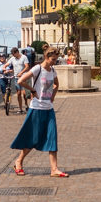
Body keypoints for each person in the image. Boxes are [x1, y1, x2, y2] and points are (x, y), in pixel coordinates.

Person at [11, 47, 67, 177]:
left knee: (52, 136)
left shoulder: (52, 70)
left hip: (49, 109)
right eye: (53, 59)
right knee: (33, 138)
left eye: (56, 59)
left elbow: (56, 85)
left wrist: (52, 97)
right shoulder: (38, 69)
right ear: (47, 57)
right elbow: (20, 81)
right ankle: (18, 161)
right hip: (36, 109)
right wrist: (33, 90)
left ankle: (54, 169)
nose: (55, 62)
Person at [8, 47, 30, 114]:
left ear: (17, 52)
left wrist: (21, 73)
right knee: (18, 93)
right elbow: (7, 63)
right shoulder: (12, 58)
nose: (13, 56)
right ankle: (20, 109)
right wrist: (4, 67)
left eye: (14, 54)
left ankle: (26, 104)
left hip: (23, 77)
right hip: (16, 77)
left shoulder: (24, 57)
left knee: (24, 93)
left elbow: (27, 66)